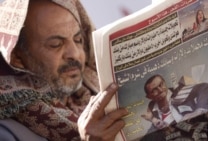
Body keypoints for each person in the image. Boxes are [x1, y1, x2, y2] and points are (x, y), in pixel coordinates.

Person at [0, 0, 128, 141]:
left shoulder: (98, 97)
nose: (74, 54)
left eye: (78, 40)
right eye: (56, 44)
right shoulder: (6, 131)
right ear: (16, 56)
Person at [141, 74, 208, 130]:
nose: (160, 90)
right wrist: (153, 120)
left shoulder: (178, 91)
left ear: (165, 82)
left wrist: (198, 111)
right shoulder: (152, 108)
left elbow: (204, 87)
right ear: (149, 97)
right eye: (154, 90)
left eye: (161, 84)